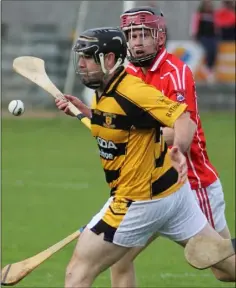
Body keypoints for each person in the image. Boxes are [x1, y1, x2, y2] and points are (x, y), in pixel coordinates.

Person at [56, 26, 235, 288]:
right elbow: (120, 126)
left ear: (108, 60)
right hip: (175, 196)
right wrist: (87, 114)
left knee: (77, 272)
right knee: (226, 268)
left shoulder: (133, 91)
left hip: (138, 202)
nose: (81, 65)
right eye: (80, 57)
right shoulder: (105, 91)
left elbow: (184, 119)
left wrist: (179, 150)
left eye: (88, 58)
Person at [190, 0, 219, 83]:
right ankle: (207, 69)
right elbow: (194, 25)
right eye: (206, 5)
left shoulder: (213, 15)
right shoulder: (199, 14)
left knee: (213, 51)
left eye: (209, 5)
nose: (208, 7)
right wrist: (194, 35)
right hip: (203, 36)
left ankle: (210, 69)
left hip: (212, 37)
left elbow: (216, 26)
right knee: (207, 51)